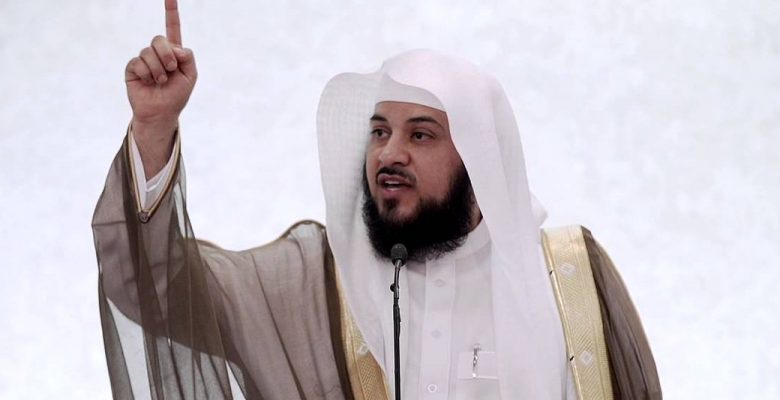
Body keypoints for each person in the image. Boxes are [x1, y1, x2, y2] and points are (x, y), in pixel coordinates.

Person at [92, 1, 661, 399]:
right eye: (379, 132)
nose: (389, 153)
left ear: (479, 158)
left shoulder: (569, 279)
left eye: (421, 135)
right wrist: (154, 128)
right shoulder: (318, 283)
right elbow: (155, 287)